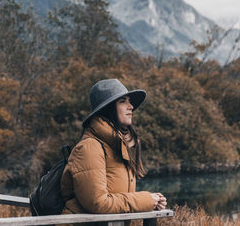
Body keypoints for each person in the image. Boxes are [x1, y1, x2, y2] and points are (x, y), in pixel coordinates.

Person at [60, 79, 167, 220]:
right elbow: (98, 203)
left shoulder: (119, 147)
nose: (131, 106)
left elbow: (119, 201)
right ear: (108, 108)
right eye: (123, 101)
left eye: (129, 101)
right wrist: (145, 200)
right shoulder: (89, 147)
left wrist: (153, 202)